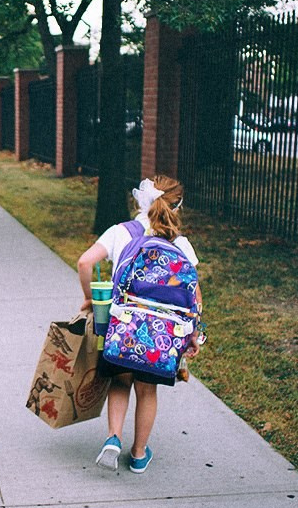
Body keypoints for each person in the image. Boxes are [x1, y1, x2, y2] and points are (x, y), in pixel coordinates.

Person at [76, 175, 203, 473]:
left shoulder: (121, 231)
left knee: (120, 381)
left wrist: (89, 298)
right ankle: (138, 453)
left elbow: (84, 262)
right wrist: (193, 335)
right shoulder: (180, 244)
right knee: (147, 390)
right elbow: (194, 297)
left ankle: (113, 438)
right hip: (161, 335)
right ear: (177, 207)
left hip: (122, 326)